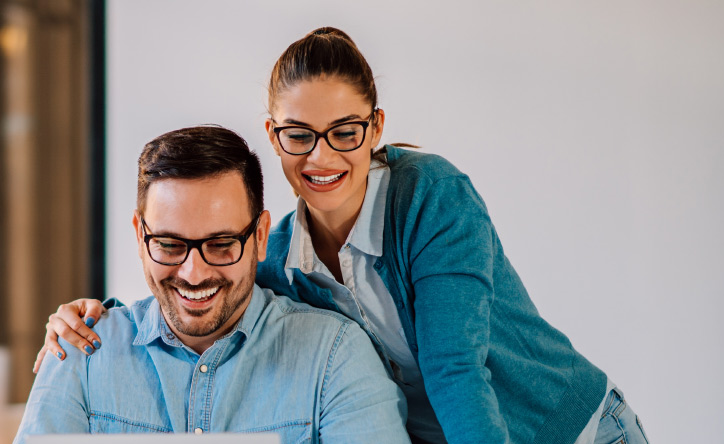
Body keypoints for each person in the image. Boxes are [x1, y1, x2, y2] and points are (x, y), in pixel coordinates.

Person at [34, 28, 649, 444]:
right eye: (299, 133)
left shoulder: (429, 196)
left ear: (376, 127)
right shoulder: (277, 258)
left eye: (344, 131)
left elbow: (456, 371)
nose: (320, 155)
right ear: (274, 135)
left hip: (565, 430)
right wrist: (101, 320)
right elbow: (205, 284)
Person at [14, 126, 409, 444]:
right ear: (139, 236)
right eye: (169, 245)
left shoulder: (335, 357)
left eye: (221, 245)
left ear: (259, 237)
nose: (193, 273)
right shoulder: (81, 354)